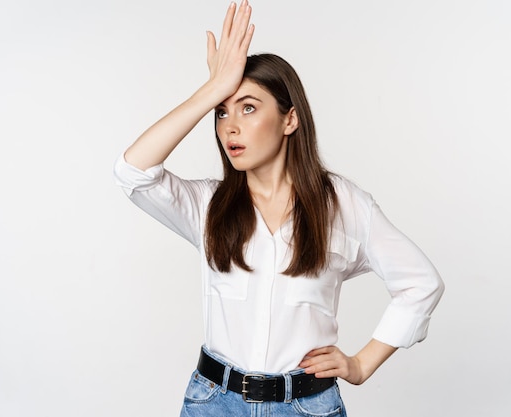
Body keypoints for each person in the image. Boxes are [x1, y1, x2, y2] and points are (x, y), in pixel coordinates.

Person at [113, 1, 444, 415]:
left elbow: (420, 283)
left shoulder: (343, 205)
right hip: (215, 403)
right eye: (221, 113)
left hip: (307, 406)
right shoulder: (208, 205)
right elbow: (132, 170)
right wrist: (212, 89)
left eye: (248, 107)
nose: (229, 126)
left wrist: (361, 364)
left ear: (290, 119)